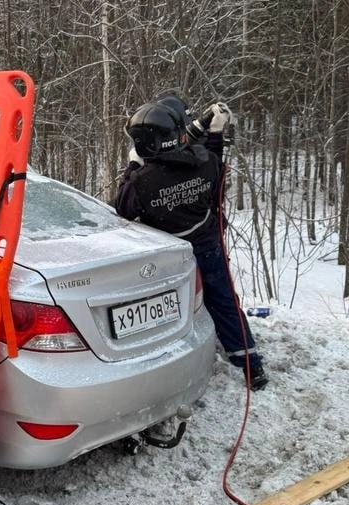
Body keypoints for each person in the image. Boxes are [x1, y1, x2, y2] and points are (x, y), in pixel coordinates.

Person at [115, 93, 268, 390]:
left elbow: (124, 206)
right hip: (208, 245)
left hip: (169, 256)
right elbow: (199, 154)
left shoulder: (142, 180)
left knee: (171, 309)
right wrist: (214, 131)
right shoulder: (205, 162)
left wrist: (132, 167)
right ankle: (251, 365)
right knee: (223, 301)